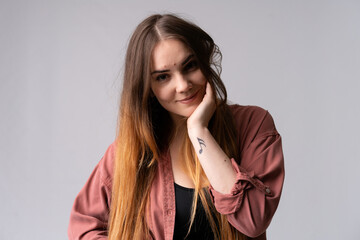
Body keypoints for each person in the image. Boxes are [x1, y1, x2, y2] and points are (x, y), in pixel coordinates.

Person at [68, 14, 285, 240]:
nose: (183, 85)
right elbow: (83, 227)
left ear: (203, 62)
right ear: (148, 88)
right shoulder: (130, 152)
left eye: (189, 66)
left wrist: (199, 131)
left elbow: (253, 221)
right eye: (163, 77)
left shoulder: (253, 125)